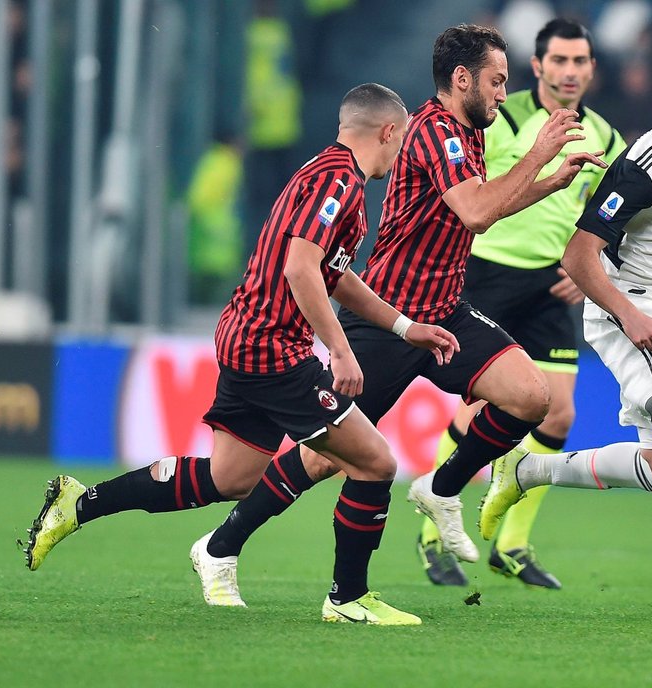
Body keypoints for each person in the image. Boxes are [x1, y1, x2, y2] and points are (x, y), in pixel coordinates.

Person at [188, 24, 606, 606]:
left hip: (444, 313)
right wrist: (541, 152)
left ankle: (441, 487)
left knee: (532, 398)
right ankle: (222, 545)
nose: (502, 93)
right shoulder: (437, 132)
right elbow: (478, 212)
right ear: (462, 80)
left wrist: (549, 182)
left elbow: (485, 205)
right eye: (496, 81)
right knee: (320, 461)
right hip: (391, 315)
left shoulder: (468, 130)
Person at [23, 84, 461, 626]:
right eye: (402, 143)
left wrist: (402, 325)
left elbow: (333, 273)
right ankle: (348, 599)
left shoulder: (323, 171)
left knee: (231, 477)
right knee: (375, 461)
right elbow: (301, 269)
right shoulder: (340, 183)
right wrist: (342, 350)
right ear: (389, 132)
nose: (402, 157)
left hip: (244, 336)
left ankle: (80, 504)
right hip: (273, 347)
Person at [479, 53, 652, 619]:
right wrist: (630, 318)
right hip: (627, 309)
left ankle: (526, 470)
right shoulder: (641, 169)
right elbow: (578, 256)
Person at [416, 18, 627, 590]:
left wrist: (593, 270)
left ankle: (510, 543)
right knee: (479, 409)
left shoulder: (607, 138)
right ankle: (434, 529)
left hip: (550, 284)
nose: (570, 71)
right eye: (559, 60)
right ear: (537, 67)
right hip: (487, 276)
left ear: (590, 69)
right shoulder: (497, 117)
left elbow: (618, 219)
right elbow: (470, 196)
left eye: (580, 61)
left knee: (559, 413)